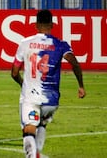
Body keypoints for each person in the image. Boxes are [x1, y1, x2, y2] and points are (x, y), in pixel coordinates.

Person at [11, 9, 86, 158]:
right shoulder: (60, 44)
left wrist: (23, 84)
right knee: (42, 124)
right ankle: (37, 152)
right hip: (51, 99)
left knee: (29, 128)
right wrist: (81, 86)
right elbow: (75, 63)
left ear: (36, 25)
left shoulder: (25, 43)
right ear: (52, 25)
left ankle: (32, 156)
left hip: (31, 97)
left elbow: (14, 72)